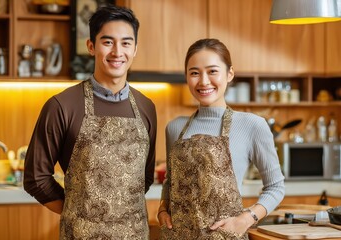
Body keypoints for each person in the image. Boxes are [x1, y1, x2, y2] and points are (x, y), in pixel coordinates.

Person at [24, 5, 157, 239]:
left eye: (126, 43)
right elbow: (36, 178)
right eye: (108, 42)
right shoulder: (61, 105)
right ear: (91, 46)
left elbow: (144, 177)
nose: (117, 52)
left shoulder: (147, 107)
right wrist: (76, 210)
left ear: (135, 49)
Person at [157, 38, 285, 239]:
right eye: (194, 73)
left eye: (212, 71)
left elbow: (276, 187)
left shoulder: (252, 125)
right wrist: (162, 209)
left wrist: (246, 219)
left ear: (230, 74)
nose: (203, 81)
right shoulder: (175, 127)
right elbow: (170, 181)